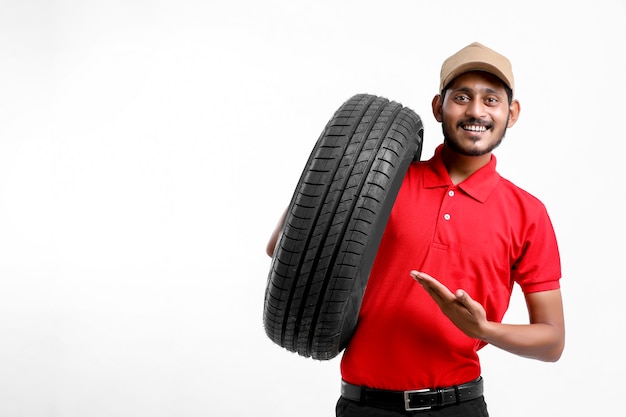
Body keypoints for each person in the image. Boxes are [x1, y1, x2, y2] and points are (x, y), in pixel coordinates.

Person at [266, 42, 565, 416]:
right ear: (438, 107)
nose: (476, 111)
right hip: (363, 405)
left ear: (512, 112)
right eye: (461, 97)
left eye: (491, 100)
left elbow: (552, 341)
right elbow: (281, 247)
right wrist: (335, 173)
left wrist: (483, 329)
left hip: (458, 405)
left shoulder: (528, 213)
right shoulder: (381, 183)